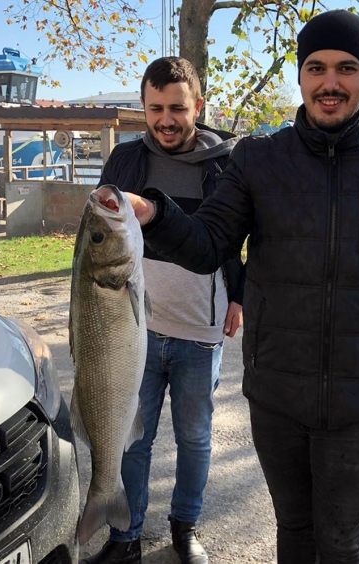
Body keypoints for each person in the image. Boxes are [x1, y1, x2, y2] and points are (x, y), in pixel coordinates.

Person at [124, 10, 359, 564]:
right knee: (293, 531)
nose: (330, 83)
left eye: (346, 68)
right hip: (277, 392)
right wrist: (155, 214)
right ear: (301, 76)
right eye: (316, 68)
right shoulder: (258, 160)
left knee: (342, 542)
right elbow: (208, 243)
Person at [82, 57, 245, 564]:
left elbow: (239, 238)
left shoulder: (228, 163)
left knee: (195, 439)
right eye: (155, 108)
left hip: (200, 328)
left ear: (199, 105)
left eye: (177, 107)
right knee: (132, 439)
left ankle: (185, 528)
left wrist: (239, 295)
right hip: (135, 333)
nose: (166, 118)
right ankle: (124, 534)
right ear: (144, 108)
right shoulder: (125, 162)